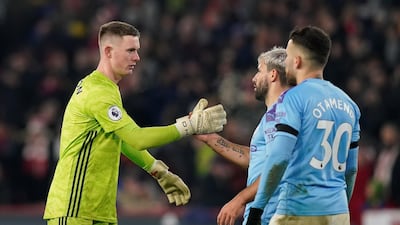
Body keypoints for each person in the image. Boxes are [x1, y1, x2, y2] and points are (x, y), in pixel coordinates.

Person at [43, 21, 227, 225]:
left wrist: (158, 170)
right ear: (108, 51)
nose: (137, 58)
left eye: (137, 51)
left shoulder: (108, 89)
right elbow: (137, 138)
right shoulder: (98, 93)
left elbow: (121, 139)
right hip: (75, 209)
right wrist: (188, 126)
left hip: (98, 210)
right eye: (130, 51)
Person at [246, 25, 361, 225]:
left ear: (297, 61)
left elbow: (279, 158)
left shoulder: (292, 99)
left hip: (298, 209)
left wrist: (257, 208)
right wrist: (340, 206)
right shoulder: (350, 105)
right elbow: (350, 170)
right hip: (339, 212)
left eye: (288, 57)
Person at [195, 47, 292, 225]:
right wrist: (211, 138)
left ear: (272, 75)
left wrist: (239, 200)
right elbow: (257, 158)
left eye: (259, 71)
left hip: (272, 214)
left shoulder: (280, 114)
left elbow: (277, 166)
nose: (253, 78)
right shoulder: (279, 113)